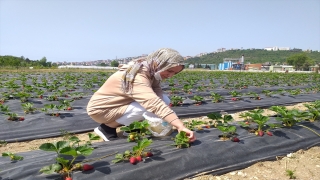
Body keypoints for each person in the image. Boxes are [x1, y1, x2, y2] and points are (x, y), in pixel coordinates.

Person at [86, 48, 196, 142]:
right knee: (147, 106)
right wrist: (179, 125)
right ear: (158, 63)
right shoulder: (136, 75)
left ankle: (132, 128)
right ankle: (107, 128)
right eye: (170, 70)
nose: (171, 75)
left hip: (120, 104)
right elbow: (152, 102)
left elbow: (156, 92)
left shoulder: (151, 71)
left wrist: (161, 118)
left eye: (175, 73)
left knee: (164, 101)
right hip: (102, 110)